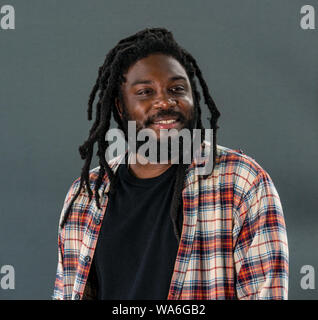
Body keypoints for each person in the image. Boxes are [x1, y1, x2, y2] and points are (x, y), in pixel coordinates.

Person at [52, 28, 288, 300]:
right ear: (120, 106)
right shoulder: (85, 196)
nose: (165, 101)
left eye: (177, 89)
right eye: (145, 92)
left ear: (193, 97)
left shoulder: (241, 183)